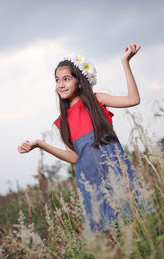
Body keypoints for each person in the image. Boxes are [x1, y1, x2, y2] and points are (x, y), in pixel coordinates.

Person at [18, 43, 150, 232]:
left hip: (116, 174)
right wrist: (40, 144)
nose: (60, 84)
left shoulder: (97, 101)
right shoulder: (62, 122)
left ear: (79, 81)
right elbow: (74, 157)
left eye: (66, 79)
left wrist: (125, 62)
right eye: (57, 80)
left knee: (134, 227)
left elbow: (133, 99)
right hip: (91, 182)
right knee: (107, 236)